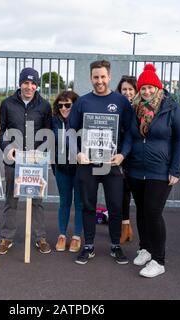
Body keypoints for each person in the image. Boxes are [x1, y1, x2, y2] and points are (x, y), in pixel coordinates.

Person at [125, 64, 180, 277]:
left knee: (153, 212)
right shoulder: (135, 109)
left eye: (151, 87)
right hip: (136, 169)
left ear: (158, 87)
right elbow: (130, 137)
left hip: (160, 171)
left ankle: (159, 260)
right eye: (143, 88)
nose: (146, 92)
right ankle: (145, 248)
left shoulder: (172, 108)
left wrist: (176, 169)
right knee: (142, 212)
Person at [68, 60, 132, 265]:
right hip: (88, 163)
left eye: (103, 77)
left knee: (115, 205)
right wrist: (77, 153)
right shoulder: (82, 102)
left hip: (112, 163)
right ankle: (88, 246)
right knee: (88, 205)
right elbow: (70, 132)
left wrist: (123, 154)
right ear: (91, 78)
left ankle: (115, 245)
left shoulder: (121, 102)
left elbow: (130, 133)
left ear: (109, 77)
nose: (99, 81)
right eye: (96, 77)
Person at [0, 67, 52, 255]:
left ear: (37, 85)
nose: (29, 87)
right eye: (26, 83)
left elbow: (48, 133)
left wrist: (40, 151)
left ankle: (40, 238)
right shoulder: (6, 104)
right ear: (20, 83)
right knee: (11, 200)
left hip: (36, 163)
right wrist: (7, 148)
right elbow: (0, 131)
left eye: (33, 83)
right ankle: (6, 237)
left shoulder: (44, 105)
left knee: (37, 201)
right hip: (14, 161)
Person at [52, 90, 83, 253]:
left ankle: (77, 236)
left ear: (75, 105)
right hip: (62, 168)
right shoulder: (54, 121)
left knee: (79, 203)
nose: (64, 108)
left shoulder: (81, 120)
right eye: (61, 105)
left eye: (68, 105)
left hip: (79, 169)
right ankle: (62, 235)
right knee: (64, 202)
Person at [115, 75, 138, 244]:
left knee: (135, 193)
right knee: (122, 193)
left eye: (131, 89)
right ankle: (125, 226)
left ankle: (133, 229)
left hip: (137, 155)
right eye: (124, 89)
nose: (128, 92)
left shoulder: (141, 108)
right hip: (120, 154)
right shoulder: (116, 106)